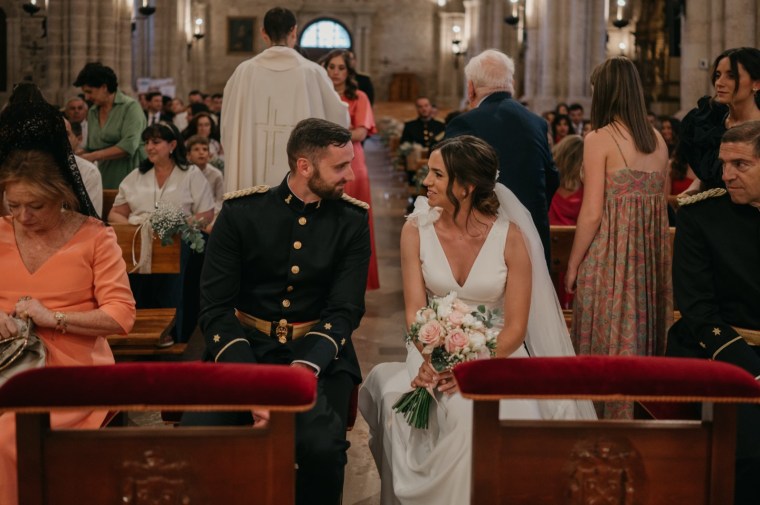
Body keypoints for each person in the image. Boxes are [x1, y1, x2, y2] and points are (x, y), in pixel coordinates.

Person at [359, 135, 595, 505]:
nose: (426, 181)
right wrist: (433, 359)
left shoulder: (510, 238)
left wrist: (473, 368)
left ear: (466, 187)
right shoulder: (415, 230)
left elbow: (515, 329)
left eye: (438, 174)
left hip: (498, 354)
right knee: (457, 411)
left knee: (489, 413)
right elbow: (415, 313)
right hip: (431, 351)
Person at [181, 118, 370, 505]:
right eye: (340, 166)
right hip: (243, 347)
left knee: (321, 447)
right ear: (304, 166)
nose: (350, 176)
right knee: (198, 436)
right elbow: (215, 308)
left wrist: (304, 369)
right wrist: (252, 383)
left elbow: (345, 309)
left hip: (318, 356)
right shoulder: (241, 213)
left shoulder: (351, 221)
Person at [0, 100, 136, 505]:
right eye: (13, 205)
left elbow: (121, 315)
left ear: (60, 195)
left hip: (72, 371)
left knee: (10, 435)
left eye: (35, 206)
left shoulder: (94, 236)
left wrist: (53, 317)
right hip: (5, 362)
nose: (22, 217)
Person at [565, 57, 672, 419]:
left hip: (610, 258)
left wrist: (573, 264)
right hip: (648, 261)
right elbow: (660, 206)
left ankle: (600, 418)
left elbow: (592, 212)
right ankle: (638, 416)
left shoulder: (599, 139)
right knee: (639, 334)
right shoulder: (658, 140)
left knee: (605, 336)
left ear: (605, 92)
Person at [666, 121, 760, 505]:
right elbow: (698, 309)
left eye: (741, 165)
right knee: (749, 452)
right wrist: (753, 371)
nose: (726, 175)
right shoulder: (701, 216)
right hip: (724, 354)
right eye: (724, 164)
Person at [445, 49, 559, 267]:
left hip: (482, 239)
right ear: (512, 83)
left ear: (471, 88)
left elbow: (448, 182)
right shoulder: (537, 122)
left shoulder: (464, 123)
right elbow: (552, 179)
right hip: (531, 238)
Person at [221, 7, 349, 192]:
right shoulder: (312, 73)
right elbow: (339, 122)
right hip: (301, 180)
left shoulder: (244, 72)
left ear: (263, 33)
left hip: (251, 180)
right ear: (294, 31)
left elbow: (228, 127)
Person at [110, 122, 214, 343]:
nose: (149, 147)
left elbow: (206, 213)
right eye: (147, 142)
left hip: (178, 243)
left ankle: (173, 331)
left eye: (156, 142)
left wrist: (179, 224)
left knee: (177, 264)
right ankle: (135, 329)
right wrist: (136, 229)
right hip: (139, 244)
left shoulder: (190, 174)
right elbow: (115, 213)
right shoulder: (136, 175)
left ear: (172, 145)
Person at [322, 49, 379, 291]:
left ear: (349, 71)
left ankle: (354, 280)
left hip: (351, 160)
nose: (335, 72)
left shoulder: (359, 97)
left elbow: (360, 133)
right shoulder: (320, 95)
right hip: (322, 160)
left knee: (352, 218)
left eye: (341, 67)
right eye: (331, 67)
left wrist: (326, 134)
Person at [679, 47, 760, 192]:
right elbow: (708, 175)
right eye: (718, 75)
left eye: (731, 76)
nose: (719, 83)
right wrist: (688, 194)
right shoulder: (709, 122)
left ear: (756, 84)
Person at [73, 62, 147, 189]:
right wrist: (76, 154)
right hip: (104, 175)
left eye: (89, 92)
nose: (86, 97)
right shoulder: (93, 111)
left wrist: (92, 156)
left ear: (104, 87)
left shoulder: (130, 107)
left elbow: (129, 145)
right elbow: (92, 146)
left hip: (129, 174)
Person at [186, 134, 224, 214]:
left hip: (212, 214)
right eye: (196, 149)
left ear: (209, 155)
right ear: (188, 155)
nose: (201, 152)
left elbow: (220, 200)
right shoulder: (184, 174)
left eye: (205, 149)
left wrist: (210, 213)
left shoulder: (216, 174)